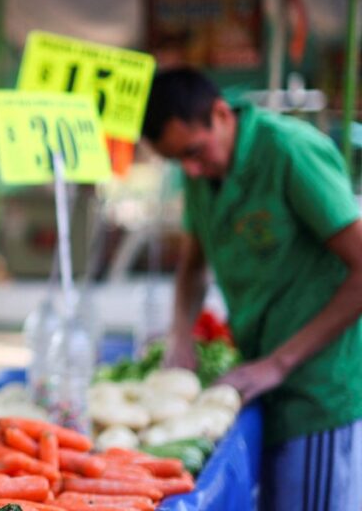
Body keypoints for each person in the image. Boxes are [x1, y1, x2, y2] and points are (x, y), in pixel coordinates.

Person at [142, 68, 362, 509]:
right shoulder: (201, 170)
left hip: (316, 391)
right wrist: (180, 335)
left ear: (221, 115)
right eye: (178, 161)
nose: (190, 169)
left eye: (193, 152)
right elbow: (192, 266)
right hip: (260, 379)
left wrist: (279, 364)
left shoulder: (289, 151)